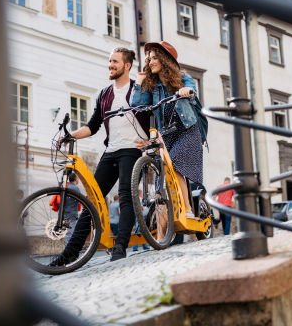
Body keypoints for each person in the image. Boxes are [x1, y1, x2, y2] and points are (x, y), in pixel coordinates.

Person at [50, 47, 149, 265]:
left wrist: (151, 141)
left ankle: (120, 247)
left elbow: (152, 115)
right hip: (111, 150)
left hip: (133, 150)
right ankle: (70, 253)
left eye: (115, 61)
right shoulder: (105, 94)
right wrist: (69, 136)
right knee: (92, 200)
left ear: (127, 66)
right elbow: (93, 126)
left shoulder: (137, 89)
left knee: (126, 195)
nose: (110, 65)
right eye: (109, 61)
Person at [130, 41, 203, 219]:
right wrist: (139, 83)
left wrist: (186, 91)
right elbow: (137, 105)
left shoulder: (183, 79)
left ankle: (187, 210)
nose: (150, 62)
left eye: (155, 58)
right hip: (167, 134)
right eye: (149, 59)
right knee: (162, 169)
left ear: (165, 60)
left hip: (187, 131)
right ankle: (167, 214)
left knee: (175, 163)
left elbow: (191, 90)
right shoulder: (153, 87)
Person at [64, 173, 82, 246]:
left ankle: (67, 251)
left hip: (65, 213)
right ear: (75, 179)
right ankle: (67, 252)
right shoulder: (75, 188)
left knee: (68, 233)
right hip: (71, 213)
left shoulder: (66, 186)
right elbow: (81, 199)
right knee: (70, 233)